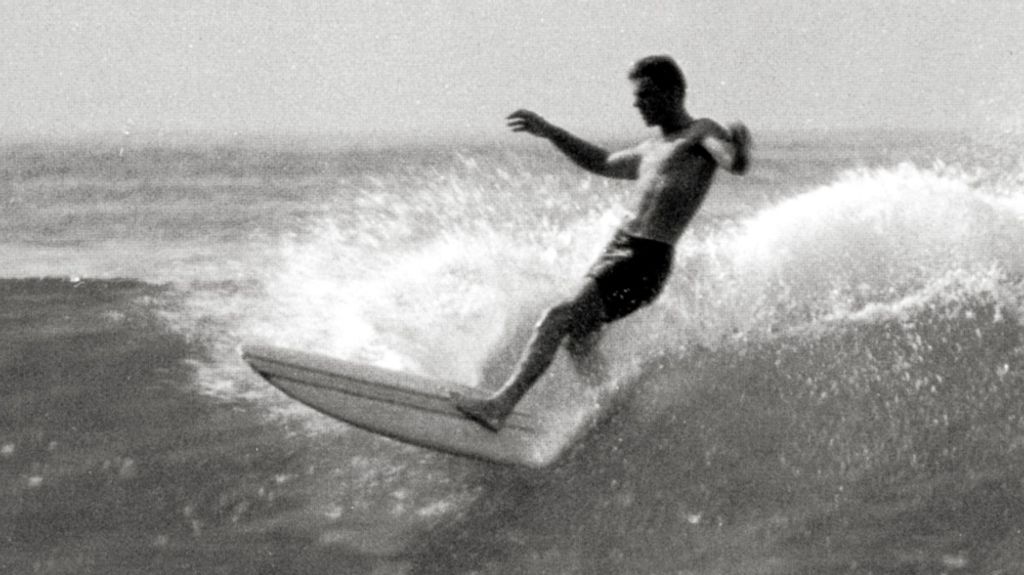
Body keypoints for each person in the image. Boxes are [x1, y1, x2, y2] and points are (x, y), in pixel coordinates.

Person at [451, 54, 751, 431]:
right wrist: (552, 132)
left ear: (674, 91)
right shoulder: (650, 147)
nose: (636, 102)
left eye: (645, 93)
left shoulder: (700, 133)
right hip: (618, 249)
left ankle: (500, 405)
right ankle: (614, 412)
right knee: (579, 340)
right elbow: (603, 161)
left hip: (645, 257)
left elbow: (729, 159)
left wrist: (738, 153)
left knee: (557, 318)